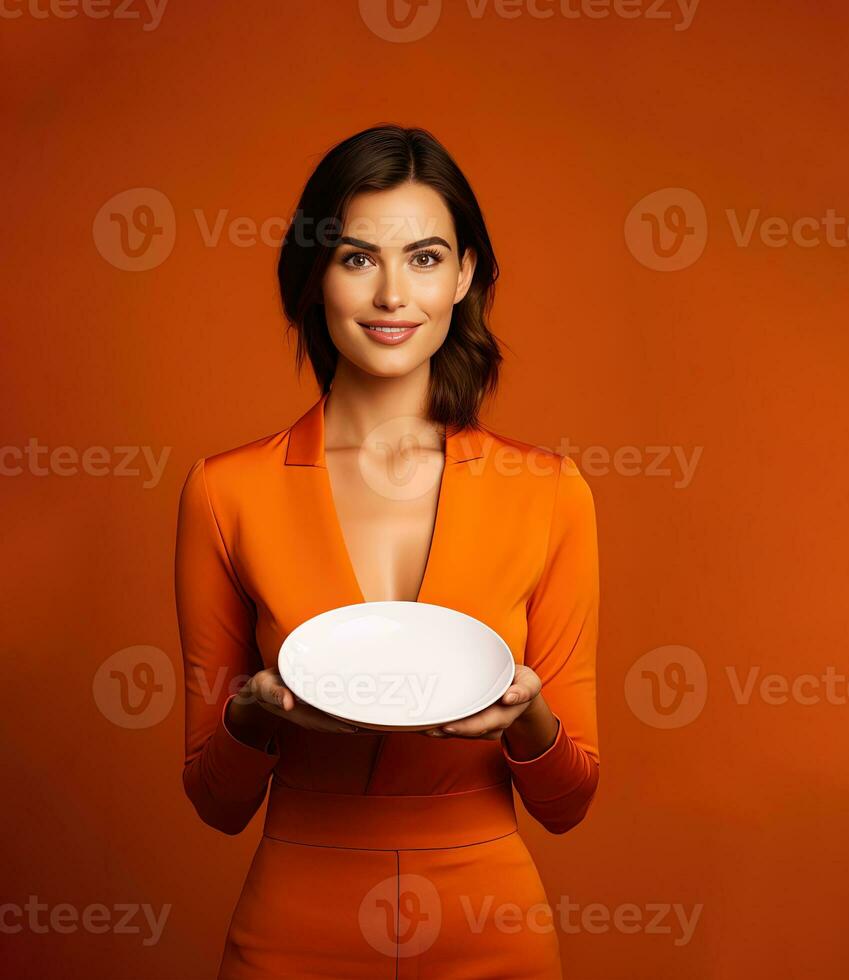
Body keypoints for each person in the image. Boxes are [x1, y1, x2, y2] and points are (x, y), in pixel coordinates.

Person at [174, 124, 599, 978]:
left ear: (466, 275)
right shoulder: (226, 492)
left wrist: (531, 716)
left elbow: (570, 800)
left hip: (491, 925)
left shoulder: (550, 492)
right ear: (316, 278)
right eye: (359, 258)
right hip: (296, 918)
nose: (393, 294)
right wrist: (252, 714)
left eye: (427, 257)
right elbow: (216, 801)